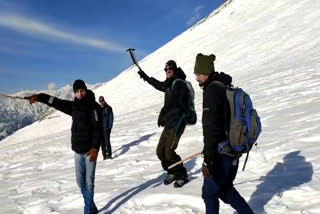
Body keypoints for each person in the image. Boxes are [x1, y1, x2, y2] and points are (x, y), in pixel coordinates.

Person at [25, 79, 102, 214]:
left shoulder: (94, 107)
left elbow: (98, 129)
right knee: (80, 183)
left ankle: (88, 211)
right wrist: (38, 97)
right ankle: (92, 206)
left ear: (86, 90)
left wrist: (95, 148)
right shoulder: (74, 106)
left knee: (89, 184)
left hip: (90, 151)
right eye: (77, 92)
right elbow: (56, 102)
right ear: (75, 93)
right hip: (77, 152)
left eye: (82, 90)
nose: (80, 94)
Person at [194, 53, 254, 214]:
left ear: (206, 73)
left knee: (209, 194)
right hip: (232, 151)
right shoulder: (224, 87)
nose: (197, 78)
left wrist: (207, 159)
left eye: (198, 74)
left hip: (220, 154)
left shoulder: (211, 91)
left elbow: (211, 128)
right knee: (225, 189)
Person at [137, 60, 189, 188]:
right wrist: (146, 78)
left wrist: (163, 113)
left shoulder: (179, 84)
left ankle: (182, 175)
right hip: (169, 123)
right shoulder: (170, 83)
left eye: (170, 68)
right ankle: (171, 172)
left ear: (175, 69)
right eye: (165, 69)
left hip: (177, 123)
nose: (168, 71)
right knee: (160, 152)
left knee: (169, 152)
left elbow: (175, 104)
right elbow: (160, 86)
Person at [98, 96, 114, 160]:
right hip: (100, 129)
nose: (101, 102)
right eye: (100, 101)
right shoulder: (98, 109)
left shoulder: (108, 108)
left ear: (104, 100)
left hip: (106, 128)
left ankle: (109, 155)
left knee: (107, 142)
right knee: (102, 143)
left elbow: (111, 118)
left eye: (102, 101)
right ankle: (104, 155)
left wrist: (109, 127)